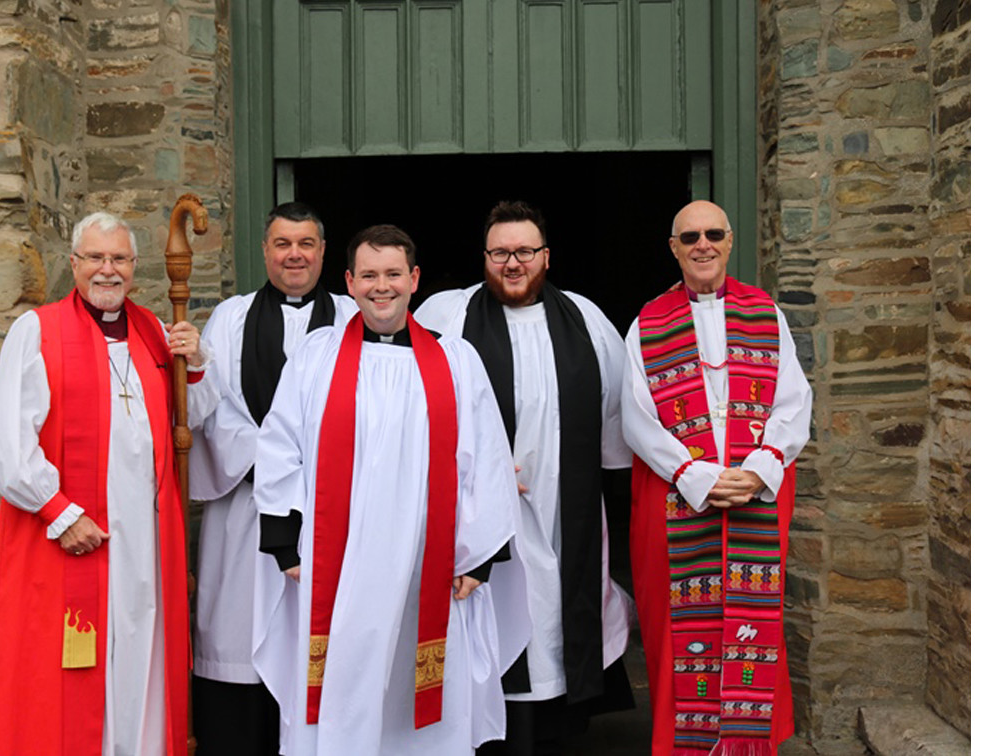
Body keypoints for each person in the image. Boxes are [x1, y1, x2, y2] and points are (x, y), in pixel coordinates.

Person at [252, 224, 529, 755]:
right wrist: (286, 542)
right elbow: (280, 444)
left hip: (427, 560)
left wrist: (478, 560)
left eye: (394, 274)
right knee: (344, 688)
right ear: (350, 282)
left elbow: (488, 458)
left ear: (415, 279)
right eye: (371, 275)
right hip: (338, 565)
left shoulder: (456, 360)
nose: (383, 287)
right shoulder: (317, 356)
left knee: (418, 701)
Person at [0, 211, 217, 755]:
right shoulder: (38, 330)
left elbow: (193, 421)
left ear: (134, 268)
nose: (107, 271)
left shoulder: (155, 332)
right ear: (74, 263)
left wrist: (196, 361)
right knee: (67, 681)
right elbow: (8, 438)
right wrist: (60, 513)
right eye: (95, 258)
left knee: (142, 657)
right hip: (75, 537)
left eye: (119, 259)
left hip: (145, 545)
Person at [416, 200, 635, 755]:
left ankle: (555, 728)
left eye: (524, 252)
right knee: (495, 618)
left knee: (555, 622)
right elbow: (410, 403)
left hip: (567, 506)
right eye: (500, 253)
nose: (512, 264)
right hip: (483, 510)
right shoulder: (448, 316)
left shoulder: (585, 318)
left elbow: (618, 416)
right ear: (484, 256)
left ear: (545, 255)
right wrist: (469, 468)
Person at [621, 200, 813, 756]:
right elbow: (636, 416)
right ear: (674, 248)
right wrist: (695, 475)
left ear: (730, 241)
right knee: (680, 634)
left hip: (753, 496)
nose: (702, 245)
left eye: (712, 234)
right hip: (684, 500)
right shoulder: (648, 323)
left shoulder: (766, 313)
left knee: (753, 630)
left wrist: (758, 469)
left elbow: (793, 401)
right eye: (689, 237)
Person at [187, 202, 358, 754]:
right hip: (246, 509)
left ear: (324, 252)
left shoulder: (354, 316)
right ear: (264, 251)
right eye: (282, 243)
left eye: (306, 243)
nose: (294, 254)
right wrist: (278, 460)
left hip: (330, 511)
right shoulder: (232, 317)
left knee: (323, 645)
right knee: (238, 640)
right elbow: (212, 409)